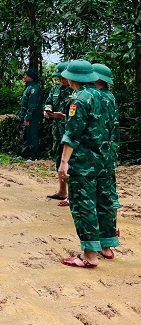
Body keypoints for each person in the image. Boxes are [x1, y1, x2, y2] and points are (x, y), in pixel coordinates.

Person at [58, 59, 119, 268]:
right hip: (106, 160)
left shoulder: (79, 99)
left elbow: (72, 134)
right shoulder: (107, 97)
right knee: (105, 202)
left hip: (85, 162)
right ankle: (107, 247)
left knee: (84, 204)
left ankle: (89, 255)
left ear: (73, 78)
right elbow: (113, 129)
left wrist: (64, 162)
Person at [93, 63, 121, 245]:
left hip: (99, 152)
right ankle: (111, 229)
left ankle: (104, 233)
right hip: (109, 151)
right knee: (109, 191)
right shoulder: (109, 96)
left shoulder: (97, 97)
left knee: (102, 192)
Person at [44, 62, 73, 206]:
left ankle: (72, 195)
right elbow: (49, 101)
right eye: (59, 78)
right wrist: (47, 109)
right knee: (58, 159)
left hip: (70, 131)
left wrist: (63, 117)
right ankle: (62, 191)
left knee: (70, 162)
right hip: (57, 131)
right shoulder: (55, 89)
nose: (62, 80)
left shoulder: (75, 91)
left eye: (64, 77)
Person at [19, 68, 41, 161]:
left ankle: (33, 157)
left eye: (26, 75)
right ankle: (24, 155)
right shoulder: (28, 87)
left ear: (31, 77)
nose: (24, 77)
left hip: (32, 118)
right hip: (26, 117)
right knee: (27, 136)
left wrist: (28, 118)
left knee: (32, 137)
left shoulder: (34, 89)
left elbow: (32, 105)